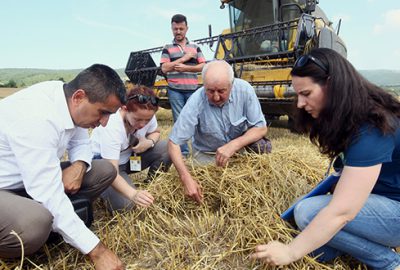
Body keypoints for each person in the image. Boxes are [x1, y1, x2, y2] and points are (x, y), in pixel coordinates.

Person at [251, 48, 400, 269]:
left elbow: (343, 211)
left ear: (332, 85)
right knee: (319, 247)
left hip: (395, 211)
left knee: (307, 213)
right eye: (298, 94)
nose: (300, 103)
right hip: (381, 200)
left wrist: (290, 252)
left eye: (306, 94)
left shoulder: (372, 126)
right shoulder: (352, 113)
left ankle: (388, 262)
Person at [0, 64, 127, 270]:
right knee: (35, 223)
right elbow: (48, 193)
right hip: (4, 187)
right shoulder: (36, 117)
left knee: (105, 170)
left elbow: (81, 142)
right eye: (102, 113)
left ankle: (60, 224)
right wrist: (97, 251)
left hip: (29, 180)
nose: (104, 123)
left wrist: (79, 164)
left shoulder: (67, 100)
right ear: (79, 97)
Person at [168, 60, 270, 204]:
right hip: (206, 156)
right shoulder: (196, 100)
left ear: (232, 84)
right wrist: (186, 178)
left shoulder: (245, 90)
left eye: (221, 91)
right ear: (203, 86)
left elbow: (261, 127)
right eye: (210, 91)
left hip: (238, 153)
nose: (216, 97)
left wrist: (234, 145)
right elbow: (173, 143)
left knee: (263, 145)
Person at [91, 85, 171, 212]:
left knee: (167, 147)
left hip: (128, 160)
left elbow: (156, 131)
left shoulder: (146, 112)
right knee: (126, 206)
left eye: (147, 120)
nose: (143, 124)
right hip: (106, 168)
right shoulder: (112, 126)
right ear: (124, 108)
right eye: (138, 119)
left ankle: (151, 187)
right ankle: (102, 189)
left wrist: (149, 142)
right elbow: (112, 171)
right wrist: (133, 195)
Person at [160, 13, 206, 156]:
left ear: (187, 28)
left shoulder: (195, 47)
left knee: (196, 119)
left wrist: (187, 68)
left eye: (181, 28)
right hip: (175, 90)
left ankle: (198, 151)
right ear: (171, 29)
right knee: (180, 121)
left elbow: (203, 66)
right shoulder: (167, 48)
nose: (178, 32)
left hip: (193, 89)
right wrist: (184, 59)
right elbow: (164, 68)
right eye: (175, 29)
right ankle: (184, 153)